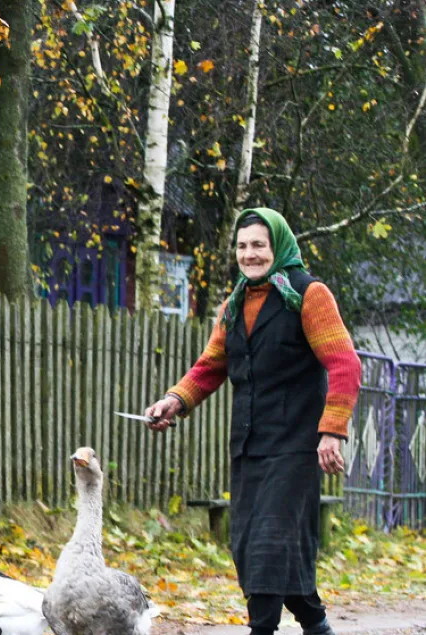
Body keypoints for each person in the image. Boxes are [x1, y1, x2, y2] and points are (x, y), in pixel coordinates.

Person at [143, 208, 361, 635]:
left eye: (258, 245)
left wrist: (332, 429)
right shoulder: (234, 304)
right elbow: (210, 366)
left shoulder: (308, 294)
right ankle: (317, 625)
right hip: (248, 449)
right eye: (242, 246)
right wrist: (174, 400)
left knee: (268, 548)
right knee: (256, 551)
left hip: (296, 447)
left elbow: (345, 364)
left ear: (277, 246)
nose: (250, 254)